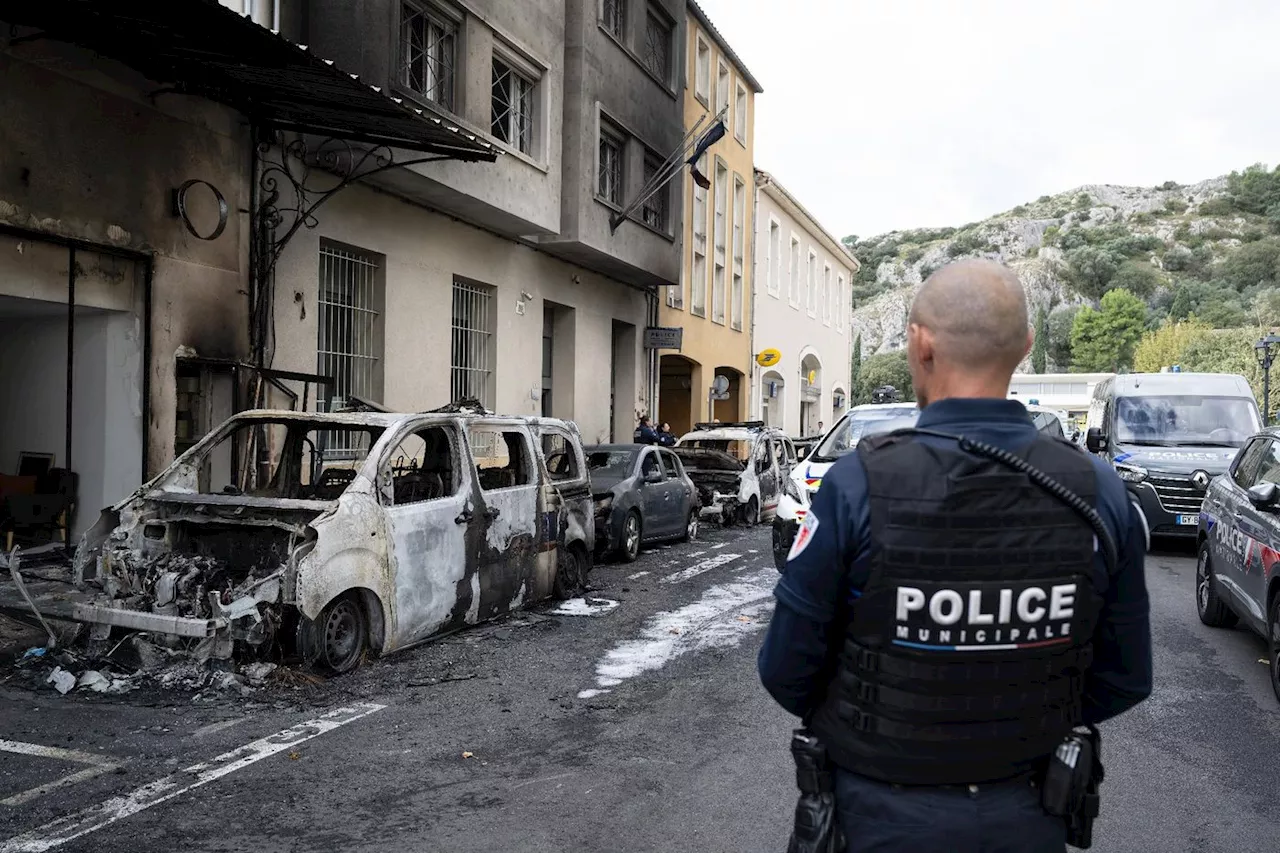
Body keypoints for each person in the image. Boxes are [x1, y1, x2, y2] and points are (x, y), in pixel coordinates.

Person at [758, 259, 1152, 852]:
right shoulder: (1098, 492)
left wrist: (888, 723)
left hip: (878, 817)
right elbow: (1125, 677)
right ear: (1025, 346)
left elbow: (787, 669)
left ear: (919, 344)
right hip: (1028, 813)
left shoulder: (857, 484)